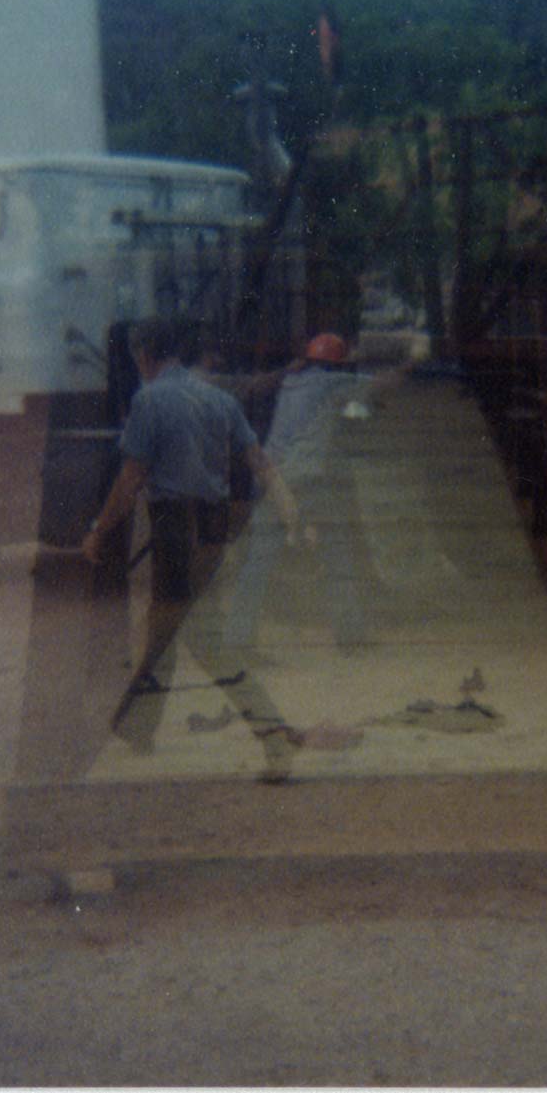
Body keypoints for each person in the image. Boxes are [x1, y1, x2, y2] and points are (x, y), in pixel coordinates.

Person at [82, 318, 303, 777]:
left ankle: (273, 731)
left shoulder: (149, 400)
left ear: (144, 354)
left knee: (194, 637)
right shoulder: (219, 399)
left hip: (175, 528)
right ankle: (138, 727)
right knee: (172, 628)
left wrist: (100, 530)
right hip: (212, 529)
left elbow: (130, 480)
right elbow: (258, 461)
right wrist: (288, 509)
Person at [222, 331, 398, 653]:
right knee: (338, 558)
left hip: (275, 480)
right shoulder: (331, 384)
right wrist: (409, 363)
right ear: (336, 366)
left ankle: (237, 641)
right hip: (310, 481)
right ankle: (351, 638)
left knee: (257, 566)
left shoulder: (291, 384)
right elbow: (378, 386)